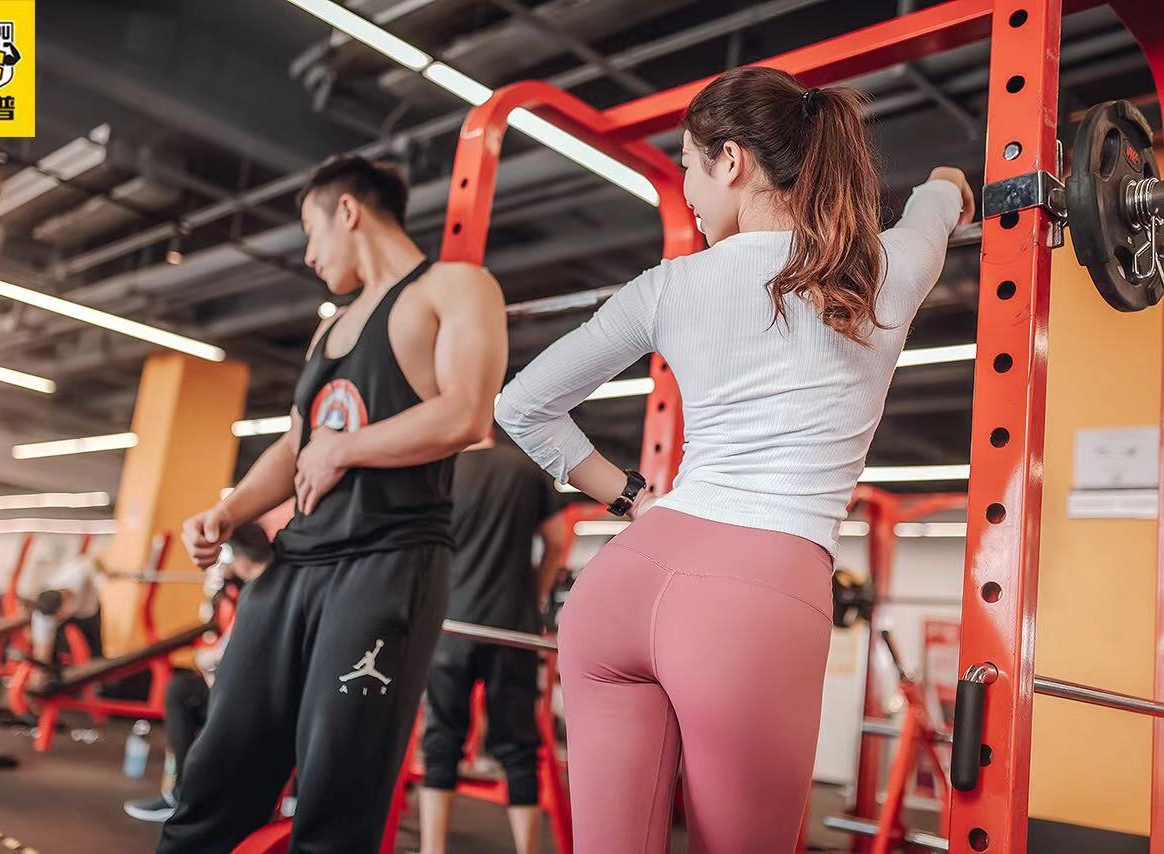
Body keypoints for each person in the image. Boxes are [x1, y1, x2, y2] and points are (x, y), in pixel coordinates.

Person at [495, 66, 973, 852]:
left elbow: (521, 405)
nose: (686, 188)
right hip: (754, 600)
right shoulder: (888, 267)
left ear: (730, 160)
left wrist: (633, 500)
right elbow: (941, 197)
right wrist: (949, 186)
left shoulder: (668, 285)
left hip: (623, 584)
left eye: (688, 164)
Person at [161, 155, 507, 853]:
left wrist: (345, 449)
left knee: (335, 794)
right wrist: (228, 513)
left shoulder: (454, 288)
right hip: (294, 565)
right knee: (216, 772)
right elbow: (296, 446)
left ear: (348, 211)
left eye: (310, 233)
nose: (309, 256)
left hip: (387, 565)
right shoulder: (330, 330)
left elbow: (467, 414)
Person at [419, 438, 568, 854]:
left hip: (450, 626)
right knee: (518, 746)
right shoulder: (524, 466)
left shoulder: (439, 469)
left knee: (441, 741)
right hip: (511, 628)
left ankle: (432, 850)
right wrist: (534, 597)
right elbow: (557, 540)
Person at [123, 523, 272, 823]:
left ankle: (184, 796)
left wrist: (213, 668)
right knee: (183, 688)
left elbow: (247, 654)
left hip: (253, 698)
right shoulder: (257, 589)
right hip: (247, 688)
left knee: (180, 691)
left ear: (240, 559)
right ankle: (186, 792)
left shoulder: (261, 594)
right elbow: (233, 645)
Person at [17, 540, 106, 665]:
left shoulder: (79, 575)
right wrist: (40, 668)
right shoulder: (44, 615)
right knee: (53, 651)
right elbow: (41, 653)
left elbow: (90, 563)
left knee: (95, 650)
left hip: (88, 611)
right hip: (73, 611)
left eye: (59, 616)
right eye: (55, 618)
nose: (56, 619)